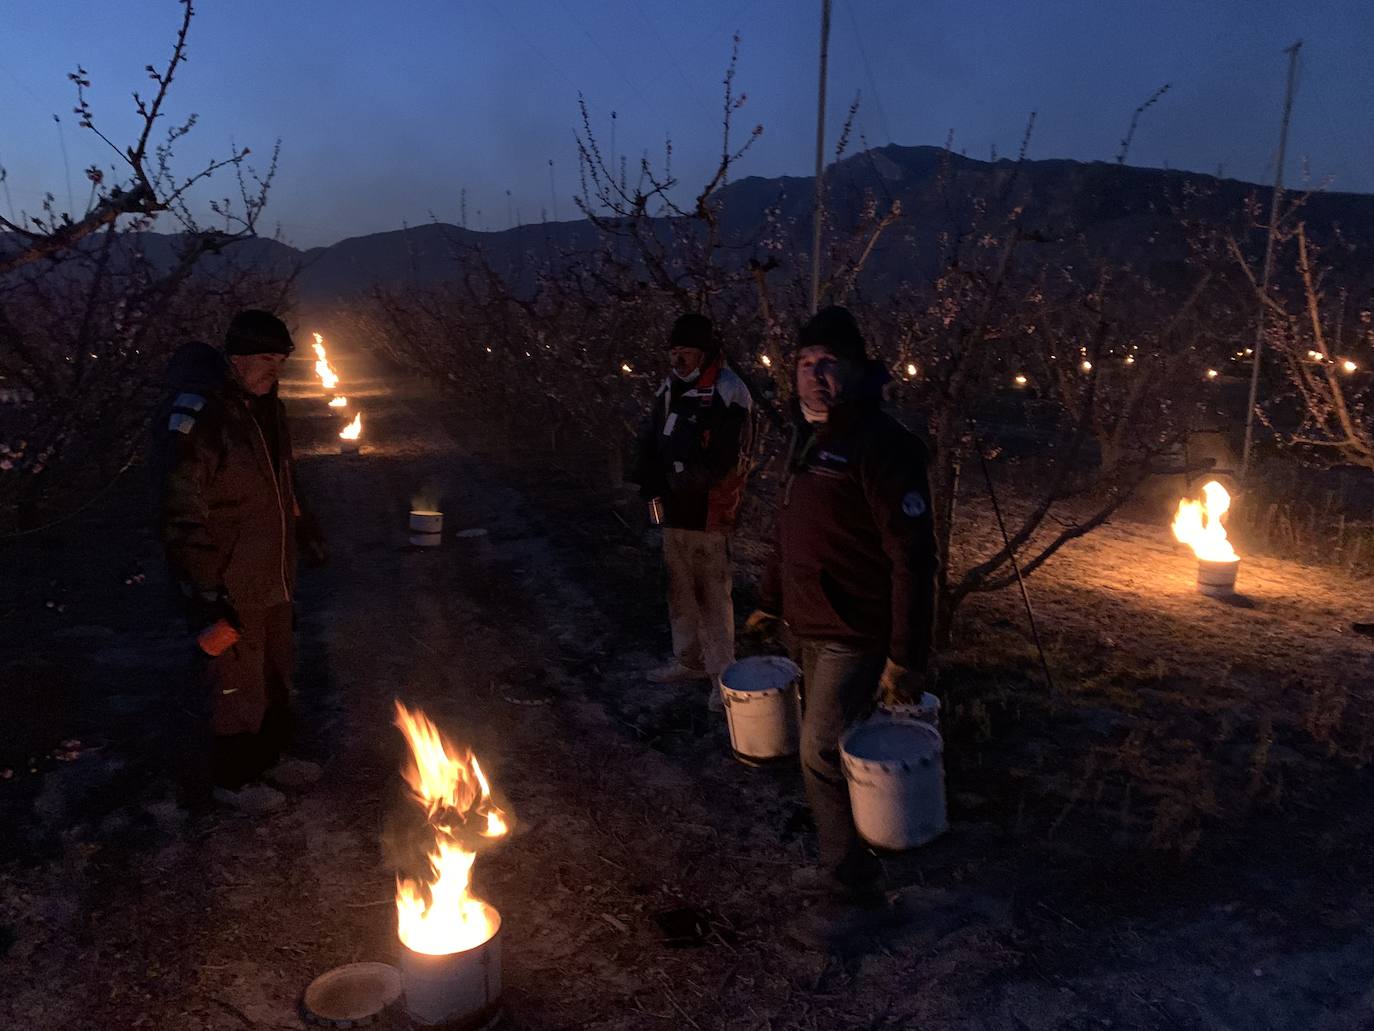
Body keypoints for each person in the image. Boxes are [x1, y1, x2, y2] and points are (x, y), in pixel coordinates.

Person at [749, 306, 938, 948]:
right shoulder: (805, 438)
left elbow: (913, 559)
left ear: (857, 370)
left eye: (830, 363)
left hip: (854, 625)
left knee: (819, 749)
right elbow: (789, 529)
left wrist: (906, 656)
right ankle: (860, 838)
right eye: (805, 364)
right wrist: (769, 600)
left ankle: (851, 884)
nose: (815, 376)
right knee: (834, 745)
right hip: (806, 617)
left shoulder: (883, 446)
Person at [155, 310, 325, 814]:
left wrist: (305, 528)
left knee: (275, 672)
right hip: (226, 578)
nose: (277, 370)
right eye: (268, 359)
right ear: (238, 358)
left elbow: (279, 482)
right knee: (234, 683)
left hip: (271, 572)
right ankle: (233, 778)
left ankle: (271, 758)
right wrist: (206, 603)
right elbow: (178, 514)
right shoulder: (198, 418)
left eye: (281, 360)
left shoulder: (266, 408)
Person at [630, 312, 754, 710]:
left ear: (705, 351)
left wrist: (676, 482)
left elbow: (726, 461)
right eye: (674, 350)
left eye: (686, 351)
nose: (678, 358)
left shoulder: (729, 390)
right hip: (674, 509)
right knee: (679, 590)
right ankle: (689, 661)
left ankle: (722, 677)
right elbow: (650, 437)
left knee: (712, 595)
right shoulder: (670, 388)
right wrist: (646, 477)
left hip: (708, 510)